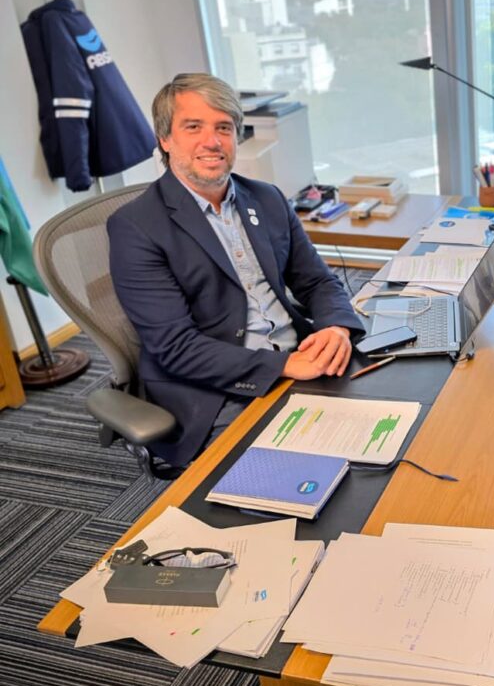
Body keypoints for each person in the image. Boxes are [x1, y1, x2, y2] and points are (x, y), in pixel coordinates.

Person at [109, 73, 364, 468]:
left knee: (391, 424)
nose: (212, 141)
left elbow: (316, 281)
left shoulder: (267, 198)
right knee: (315, 473)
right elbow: (177, 348)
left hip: (302, 356)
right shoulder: (135, 226)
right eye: (193, 127)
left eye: (223, 128)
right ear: (165, 139)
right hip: (218, 389)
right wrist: (283, 365)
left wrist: (335, 329)